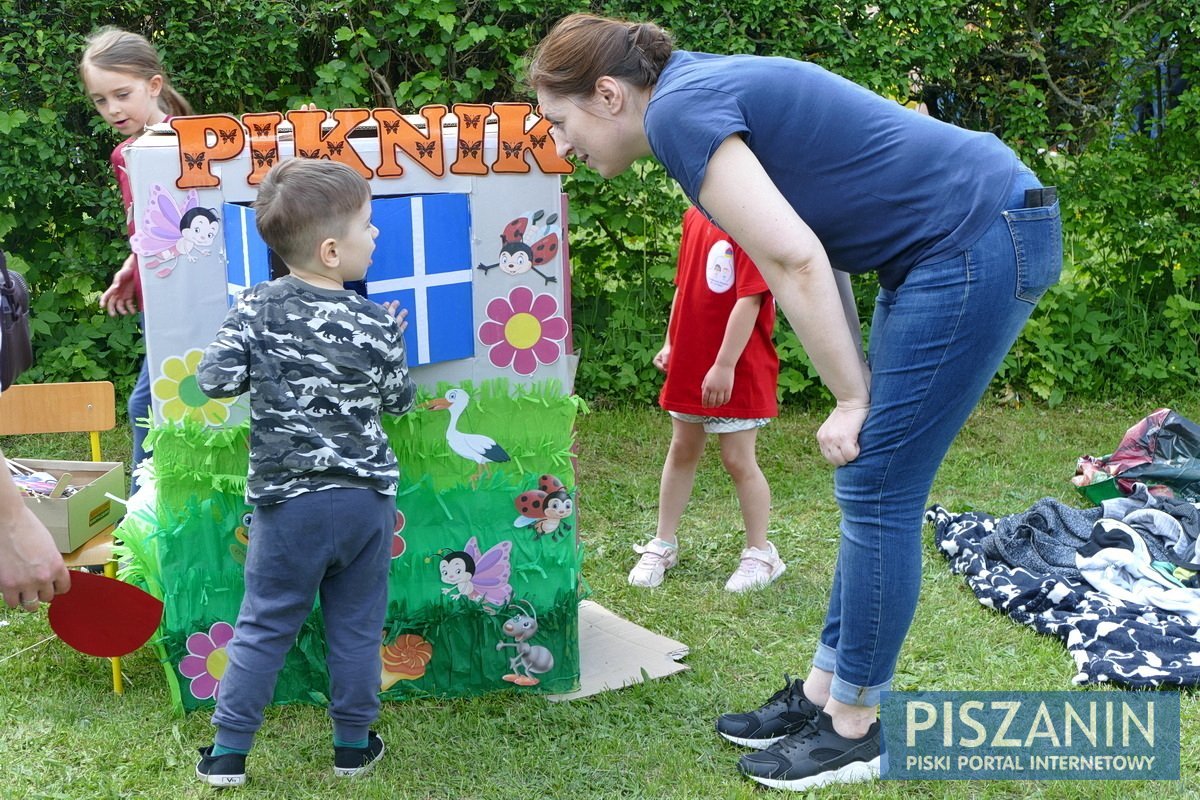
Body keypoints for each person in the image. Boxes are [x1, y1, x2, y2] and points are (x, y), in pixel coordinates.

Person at [527, 13, 1062, 791]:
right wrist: (857, 392)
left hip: (977, 235)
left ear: (607, 94)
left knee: (878, 486)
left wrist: (852, 398)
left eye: (559, 120)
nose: (560, 143)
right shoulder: (685, 93)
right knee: (869, 482)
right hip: (949, 242)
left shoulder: (678, 111)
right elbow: (812, 243)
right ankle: (824, 694)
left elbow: (794, 257)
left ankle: (856, 728)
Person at [192, 158, 416, 787]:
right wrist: (384, 346)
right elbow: (398, 402)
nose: (376, 237)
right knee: (356, 625)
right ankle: (352, 746)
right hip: (366, 503)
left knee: (265, 622)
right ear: (330, 249)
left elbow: (214, 380)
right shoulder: (376, 323)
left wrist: (251, 336)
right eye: (368, 227)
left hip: (289, 506)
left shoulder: (256, 306)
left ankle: (230, 754)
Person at [629, 206, 785, 592]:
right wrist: (671, 342)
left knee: (737, 459)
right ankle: (663, 543)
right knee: (682, 448)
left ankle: (761, 554)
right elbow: (684, 286)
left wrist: (725, 364)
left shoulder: (750, 217)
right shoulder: (692, 216)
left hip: (737, 364)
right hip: (692, 359)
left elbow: (751, 298)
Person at [80, 27, 194, 494]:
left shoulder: (191, 146)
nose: (112, 110)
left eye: (121, 95)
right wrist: (132, 264)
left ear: (154, 84)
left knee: (148, 403)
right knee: (157, 402)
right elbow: (150, 227)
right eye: (100, 101)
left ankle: (144, 513)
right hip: (157, 303)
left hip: (188, 303)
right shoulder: (125, 154)